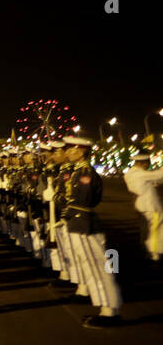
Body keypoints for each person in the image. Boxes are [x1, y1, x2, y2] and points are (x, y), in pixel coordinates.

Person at [59, 136, 120, 328]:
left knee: (97, 267)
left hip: (83, 222)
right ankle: (106, 308)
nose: (67, 152)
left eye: (71, 149)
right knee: (92, 267)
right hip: (79, 222)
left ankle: (109, 311)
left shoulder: (86, 173)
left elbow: (83, 200)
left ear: (82, 151)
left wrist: (68, 212)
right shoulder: (78, 171)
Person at [125, 152, 163, 262]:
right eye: (147, 163)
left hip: (141, 204)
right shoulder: (141, 174)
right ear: (143, 163)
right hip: (150, 205)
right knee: (156, 230)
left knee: (146, 230)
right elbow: (159, 175)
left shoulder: (131, 173)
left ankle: (148, 251)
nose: (148, 166)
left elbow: (154, 181)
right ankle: (154, 253)